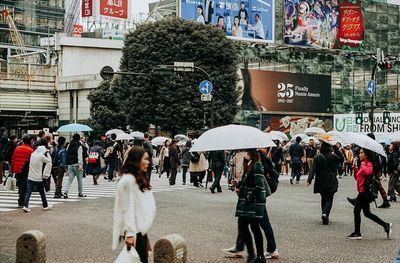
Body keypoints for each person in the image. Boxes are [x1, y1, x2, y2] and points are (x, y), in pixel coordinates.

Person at [112, 147, 156, 263]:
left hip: (138, 229)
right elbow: (126, 208)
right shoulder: (127, 181)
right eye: (145, 159)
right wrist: (130, 234)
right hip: (133, 230)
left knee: (140, 258)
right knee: (140, 259)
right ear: (137, 160)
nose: (148, 162)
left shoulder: (137, 178)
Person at [347, 148, 393, 240]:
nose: (359, 155)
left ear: (366, 155)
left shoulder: (368, 164)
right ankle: (386, 225)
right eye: (359, 153)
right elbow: (357, 178)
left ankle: (357, 233)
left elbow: (368, 172)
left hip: (364, 192)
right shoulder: (363, 164)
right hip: (362, 190)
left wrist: (362, 166)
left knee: (356, 211)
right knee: (367, 213)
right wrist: (355, 169)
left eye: (361, 153)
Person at [234, 149, 267, 263]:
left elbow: (259, 185)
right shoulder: (251, 164)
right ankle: (259, 256)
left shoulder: (257, 165)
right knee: (254, 227)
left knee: (244, 226)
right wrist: (239, 185)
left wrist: (249, 195)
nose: (246, 154)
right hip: (250, 201)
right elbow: (249, 181)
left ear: (251, 153)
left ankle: (253, 255)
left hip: (251, 202)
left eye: (247, 152)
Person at [307, 142, 341, 225]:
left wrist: (309, 179)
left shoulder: (317, 157)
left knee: (323, 197)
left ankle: (324, 214)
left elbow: (313, 169)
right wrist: (336, 149)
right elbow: (342, 159)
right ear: (330, 148)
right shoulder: (333, 157)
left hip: (320, 180)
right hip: (331, 179)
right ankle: (325, 214)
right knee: (329, 198)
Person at [23, 138, 52, 212]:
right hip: (38, 178)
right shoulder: (41, 156)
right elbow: (49, 161)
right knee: (42, 193)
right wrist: (48, 152)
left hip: (30, 177)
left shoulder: (32, 154)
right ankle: (45, 205)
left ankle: (25, 206)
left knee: (28, 192)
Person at [10, 134, 34, 207]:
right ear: (30, 141)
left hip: (17, 169)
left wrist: (12, 170)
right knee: (24, 186)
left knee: (20, 185)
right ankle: (21, 201)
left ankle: (20, 199)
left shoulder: (17, 148)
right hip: (25, 170)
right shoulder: (31, 150)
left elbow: (13, 159)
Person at [63, 134, 86, 199]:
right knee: (79, 180)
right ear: (79, 139)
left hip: (70, 164)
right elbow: (79, 156)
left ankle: (65, 192)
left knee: (70, 179)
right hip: (77, 164)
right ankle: (80, 193)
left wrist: (67, 165)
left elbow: (67, 154)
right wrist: (80, 165)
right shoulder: (79, 145)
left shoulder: (69, 145)